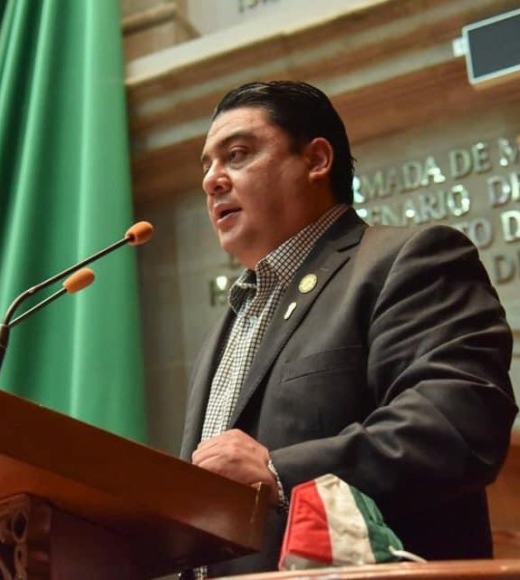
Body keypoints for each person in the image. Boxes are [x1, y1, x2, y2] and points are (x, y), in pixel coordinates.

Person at [181, 80, 518, 574]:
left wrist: (279, 471)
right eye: (207, 166)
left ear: (317, 160)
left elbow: (457, 425)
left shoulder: (407, 260)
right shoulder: (228, 325)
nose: (212, 180)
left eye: (237, 155)